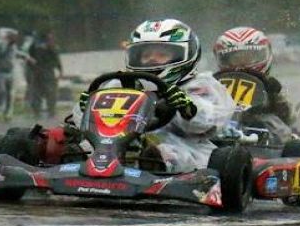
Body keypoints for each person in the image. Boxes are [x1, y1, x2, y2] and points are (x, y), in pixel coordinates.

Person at [79, 18, 236, 173]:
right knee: (84, 147)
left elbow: (207, 121)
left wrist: (185, 107)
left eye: (161, 54)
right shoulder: (119, 84)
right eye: (146, 55)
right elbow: (88, 123)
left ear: (186, 55)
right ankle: (77, 160)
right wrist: (87, 108)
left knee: (168, 153)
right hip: (116, 142)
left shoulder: (200, 85)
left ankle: (152, 163)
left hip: (183, 145)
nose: (151, 60)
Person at [212, 26, 294, 127]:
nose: (242, 65)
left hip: (260, 132)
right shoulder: (213, 84)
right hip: (220, 128)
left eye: (248, 58)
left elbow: (287, 117)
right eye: (236, 59)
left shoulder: (272, 86)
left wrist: (272, 98)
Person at [25, 30, 63, 117]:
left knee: (50, 92)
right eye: (50, 39)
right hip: (38, 72)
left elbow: (57, 61)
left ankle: (51, 111)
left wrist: (60, 71)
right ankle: (37, 112)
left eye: (52, 39)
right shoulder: (35, 47)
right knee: (37, 93)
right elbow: (29, 60)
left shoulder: (53, 49)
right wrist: (32, 70)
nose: (52, 41)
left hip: (48, 72)